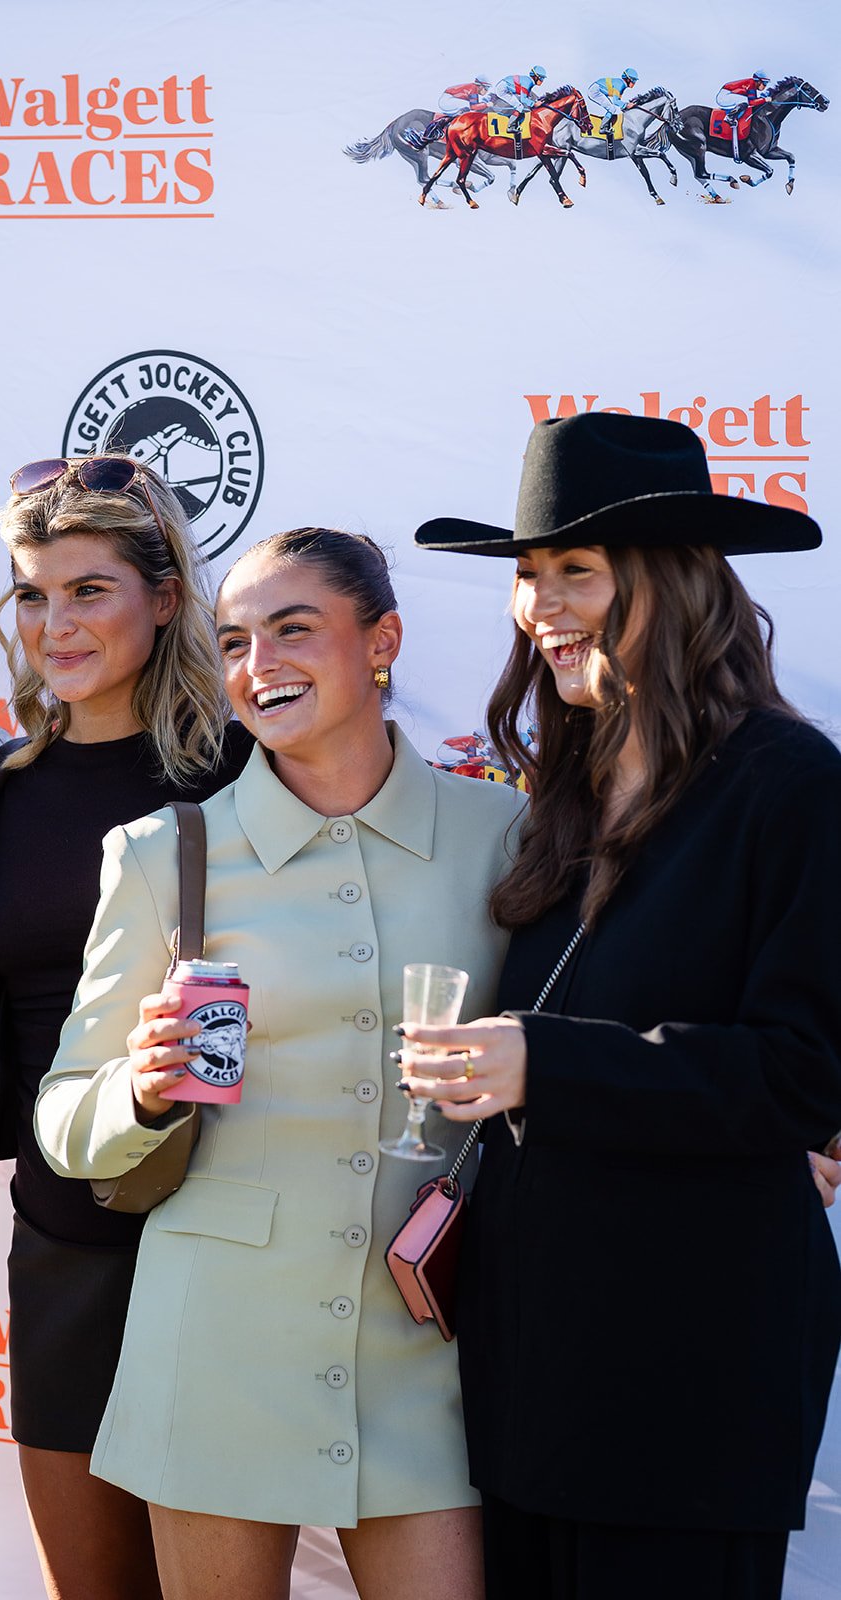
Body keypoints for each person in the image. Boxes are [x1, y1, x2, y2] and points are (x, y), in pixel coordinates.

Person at [35, 526, 523, 1600]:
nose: (259, 667)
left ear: (382, 639)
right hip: (213, 1344)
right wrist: (142, 1089)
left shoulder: (508, 836)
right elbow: (65, 1114)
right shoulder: (164, 853)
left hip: (423, 1341)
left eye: (292, 631)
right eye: (236, 641)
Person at [408, 411, 841, 1600]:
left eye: (575, 571)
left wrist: (541, 1062)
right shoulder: (563, 787)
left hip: (690, 1365)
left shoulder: (787, 782)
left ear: (668, 579)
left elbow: (798, 1075)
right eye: (527, 574)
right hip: (528, 1357)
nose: (538, 602)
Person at [0, 453, 251, 1600]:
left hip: (220, 1238)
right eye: (32, 591)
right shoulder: (2, 786)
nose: (52, 623)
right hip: (60, 1236)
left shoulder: (244, 772)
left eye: (88, 589)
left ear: (164, 597)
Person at [587, 68, 639, 140]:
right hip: (595, 91)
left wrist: (625, 106)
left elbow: (618, 101)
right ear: (628, 79)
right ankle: (602, 128)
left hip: (597, 89)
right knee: (612, 108)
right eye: (633, 80)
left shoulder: (621, 84)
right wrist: (626, 105)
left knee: (612, 108)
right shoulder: (620, 85)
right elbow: (616, 101)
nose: (634, 83)